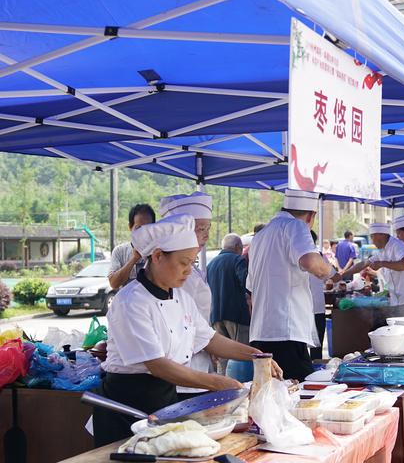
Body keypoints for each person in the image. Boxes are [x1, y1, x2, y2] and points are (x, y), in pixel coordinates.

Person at [94, 214, 281, 447]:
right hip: (128, 405)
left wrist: (256, 355)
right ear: (158, 256)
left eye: (192, 263)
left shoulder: (181, 296)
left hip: (164, 400)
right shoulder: (130, 302)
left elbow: (210, 340)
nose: (188, 271)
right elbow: (158, 365)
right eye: (183, 263)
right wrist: (218, 382)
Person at [246, 190, 341, 380]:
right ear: (311, 216)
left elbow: (250, 290)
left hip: (261, 332)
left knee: (274, 395)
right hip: (285, 330)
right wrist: (332, 273)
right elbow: (312, 263)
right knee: (297, 392)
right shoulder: (295, 226)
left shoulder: (261, 235)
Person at [159, 192, 214, 396]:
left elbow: (201, 329)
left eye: (208, 228)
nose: (205, 235)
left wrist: (255, 355)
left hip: (196, 362)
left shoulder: (191, 272)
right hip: (179, 376)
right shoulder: (137, 299)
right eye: (200, 229)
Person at [343, 222, 404, 309]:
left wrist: (381, 263)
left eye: (372, 237)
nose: (372, 241)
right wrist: (344, 273)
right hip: (397, 300)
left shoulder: (397, 246)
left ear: (382, 235)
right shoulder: (382, 250)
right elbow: (364, 263)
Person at [207, 233, 250, 375]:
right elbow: (246, 283)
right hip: (236, 314)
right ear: (237, 247)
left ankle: (223, 387)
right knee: (241, 353)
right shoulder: (238, 260)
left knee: (223, 356)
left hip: (215, 316)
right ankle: (240, 387)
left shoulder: (211, 264)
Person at [108, 204, 156, 290]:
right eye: (139, 227)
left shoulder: (160, 251)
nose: (144, 232)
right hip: (126, 302)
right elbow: (114, 284)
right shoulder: (120, 251)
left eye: (148, 228)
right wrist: (134, 259)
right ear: (130, 227)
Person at [309, 231, 327, 360]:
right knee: (316, 346)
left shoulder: (295, 257)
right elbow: (330, 277)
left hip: (308, 308)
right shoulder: (320, 257)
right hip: (316, 307)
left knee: (309, 346)